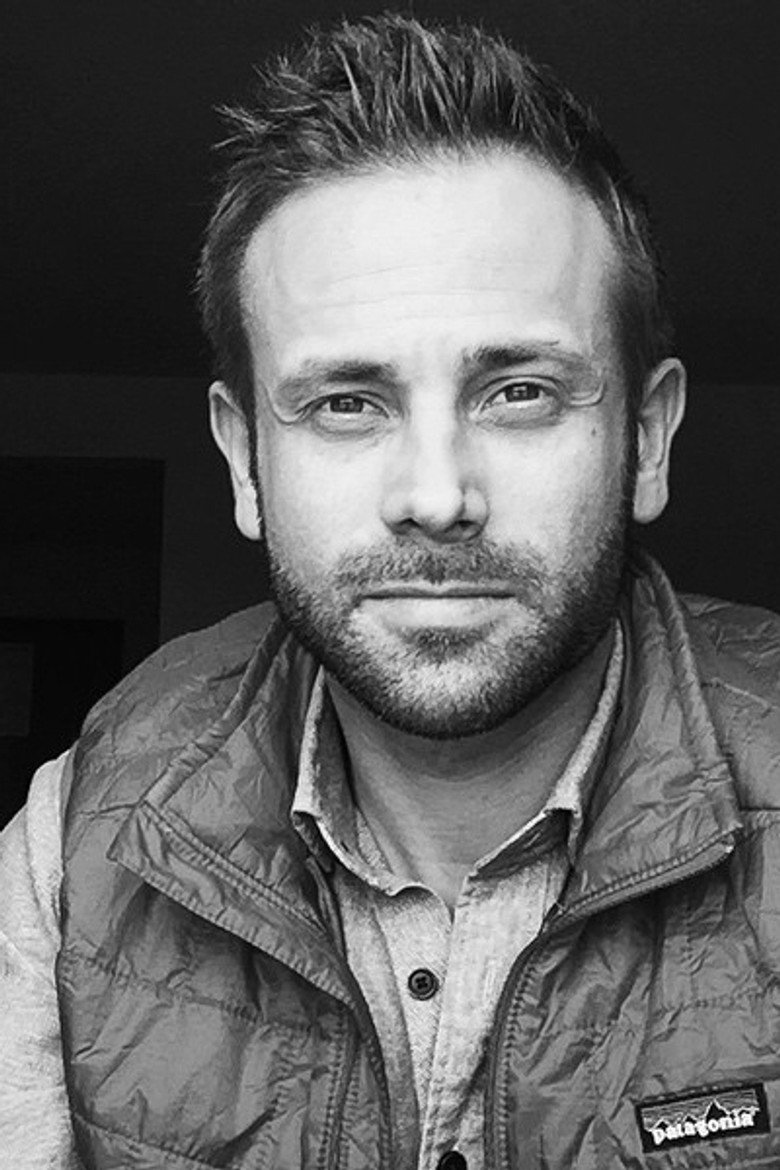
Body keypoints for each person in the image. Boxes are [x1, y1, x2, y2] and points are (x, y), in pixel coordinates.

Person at [2, 12, 780, 1170]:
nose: (435, 495)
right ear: (244, 463)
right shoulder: (77, 839)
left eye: (520, 391)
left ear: (648, 439)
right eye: (345, 404)